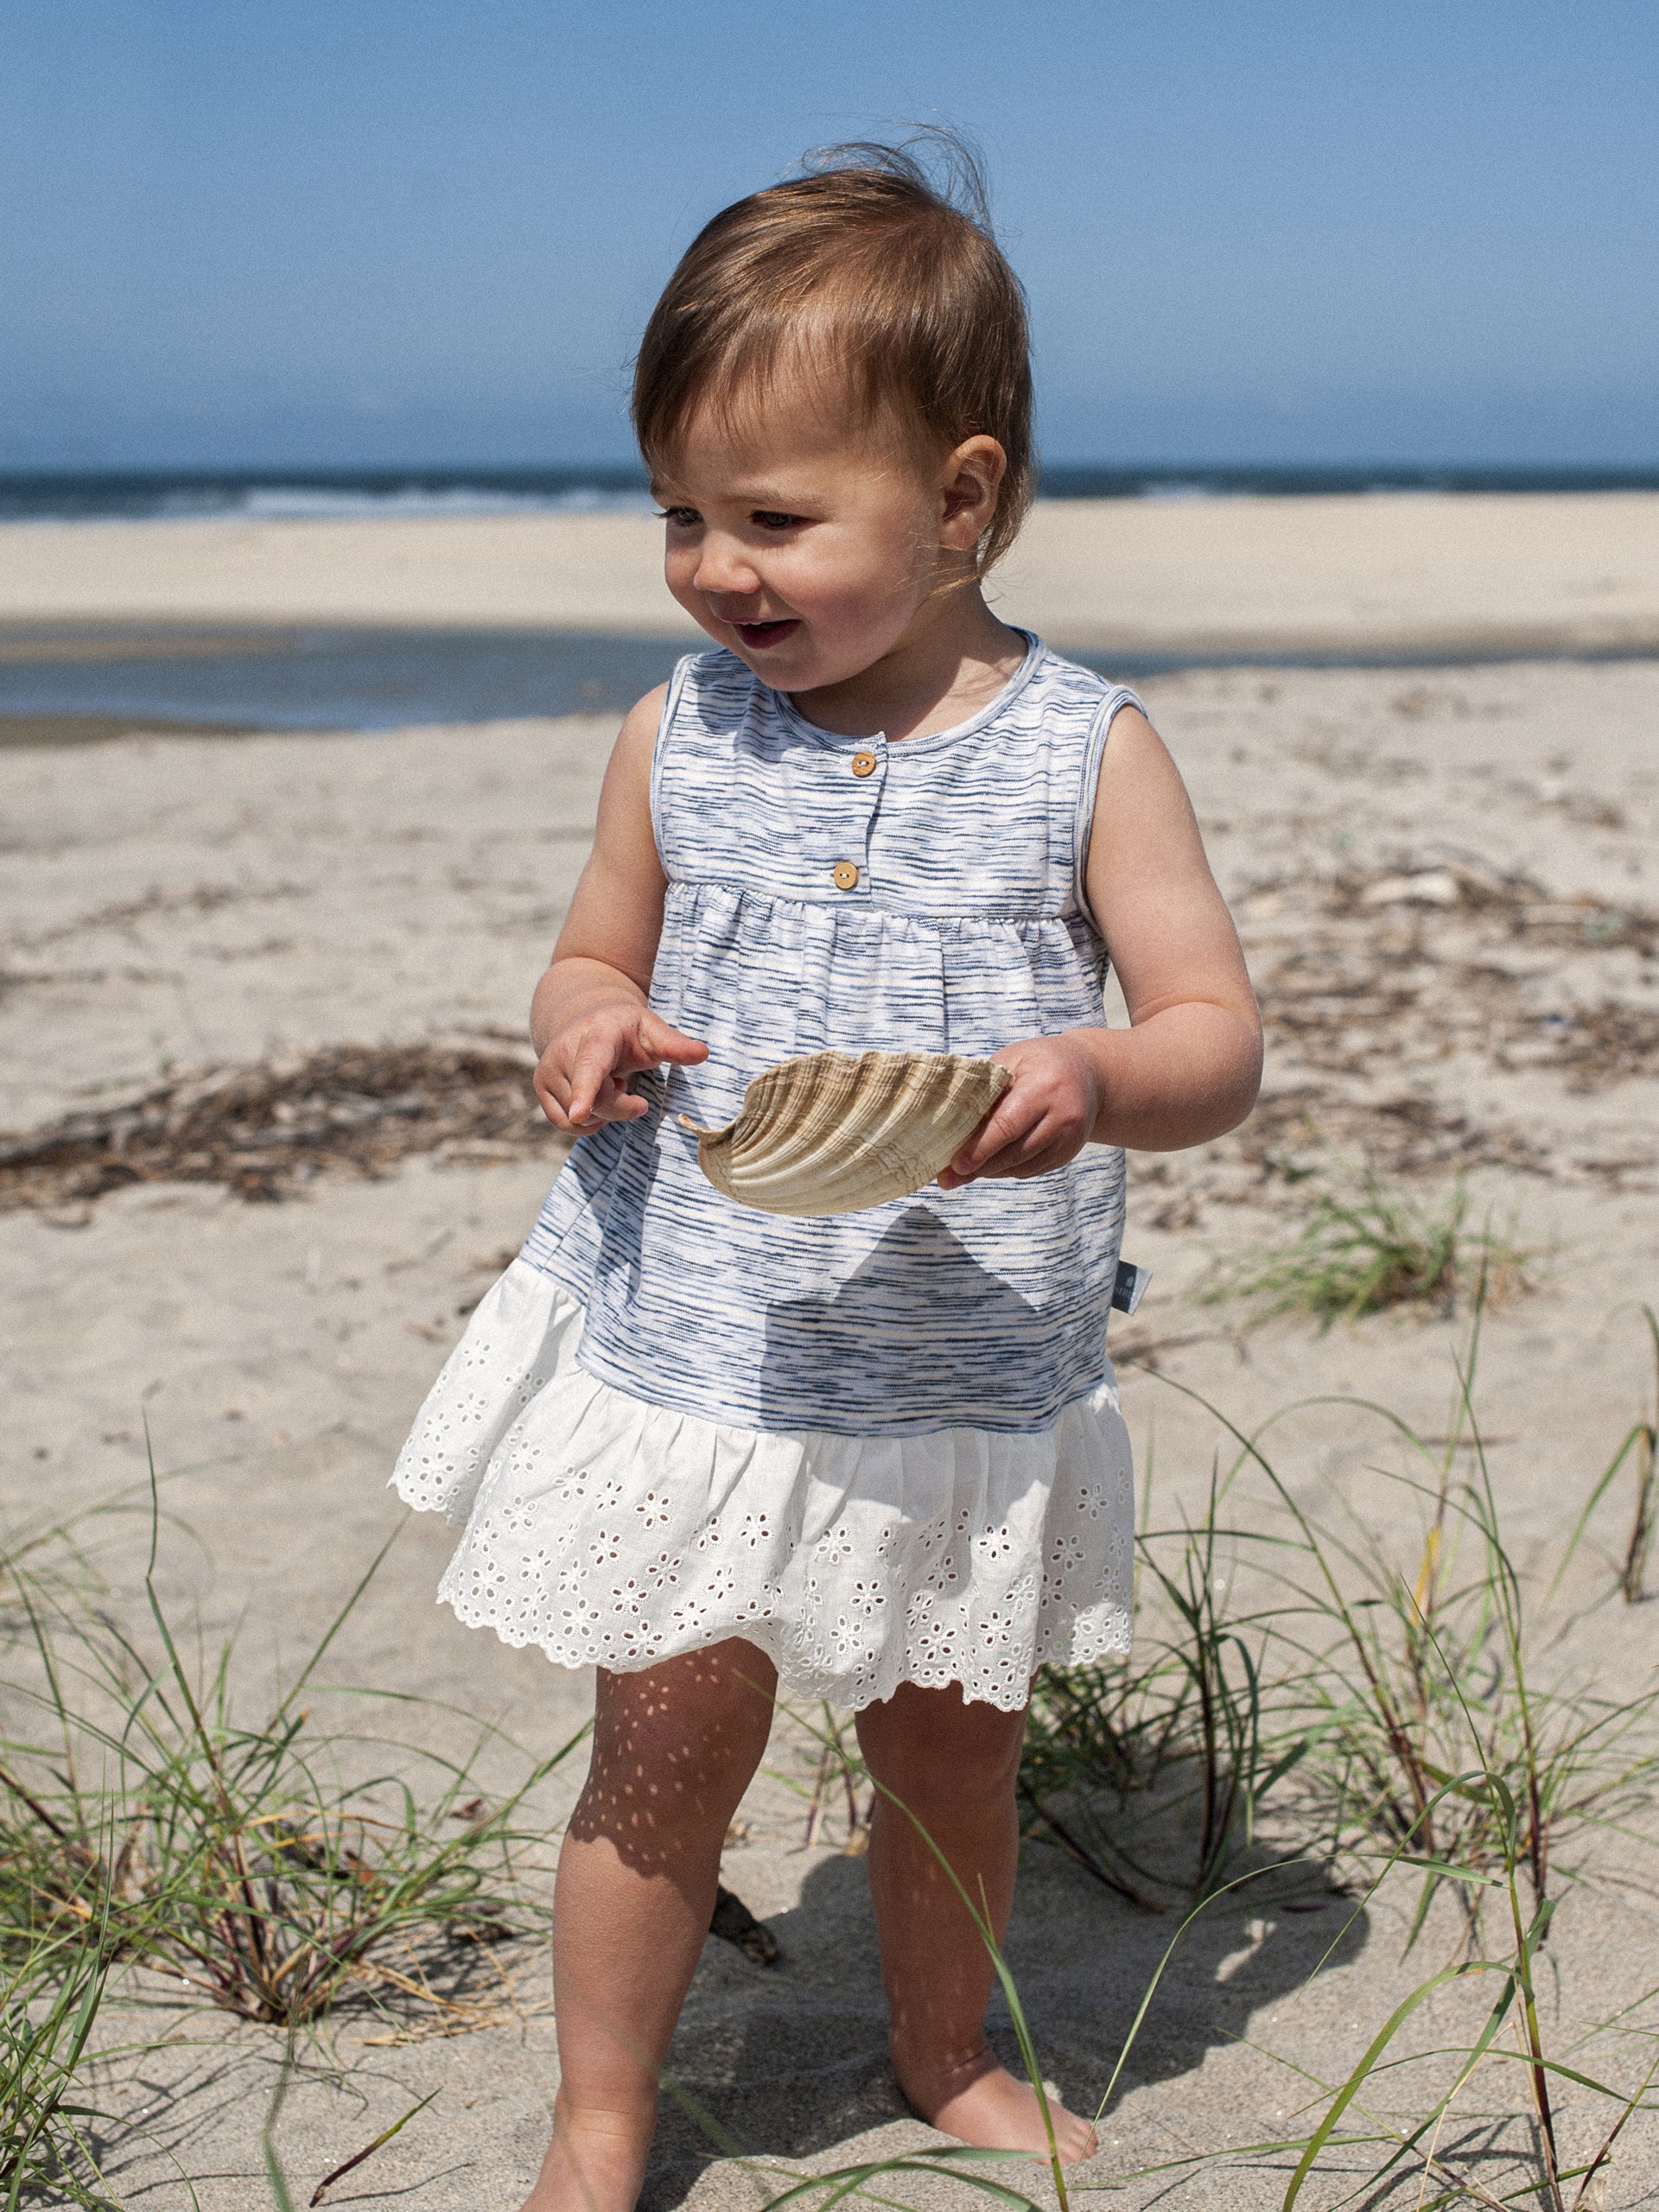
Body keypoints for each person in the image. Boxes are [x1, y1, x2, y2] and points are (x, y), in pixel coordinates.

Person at [394, 133, 1262, 2212]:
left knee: (951, 1752)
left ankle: (940, 2043)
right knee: (665, 1755)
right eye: (680, 514)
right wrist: (583, 1020)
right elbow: (593, 942)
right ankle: (601, 2119)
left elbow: (1213, 1034)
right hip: (702, 1350)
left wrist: (1095, 1071)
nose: (716, 567)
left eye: (774, 518)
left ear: (959, 501)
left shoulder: (1081, 749)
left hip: (960, 1366)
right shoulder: (676, 733)